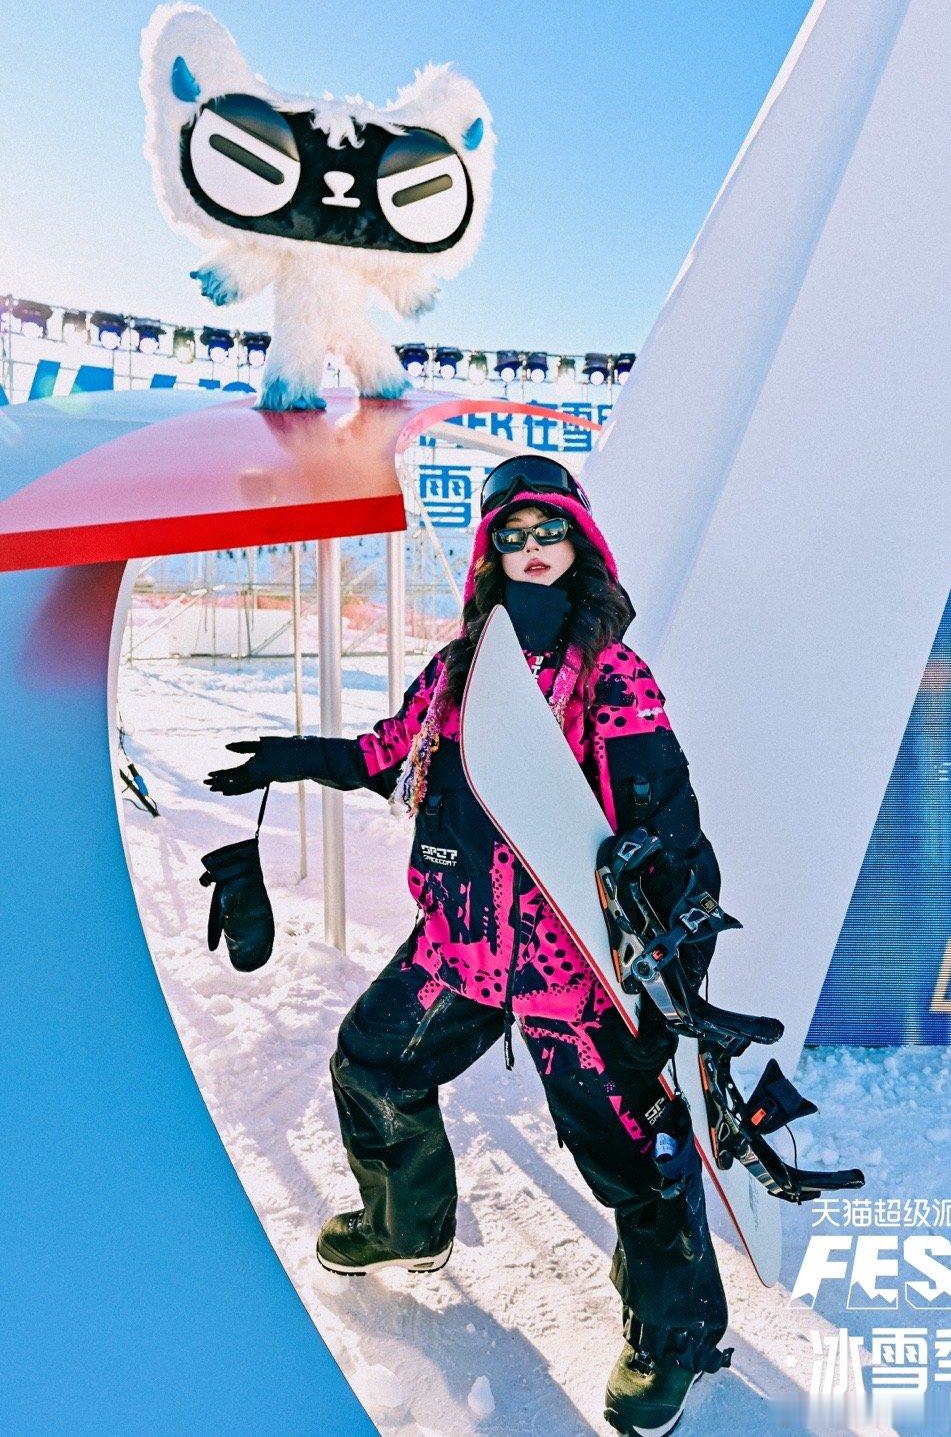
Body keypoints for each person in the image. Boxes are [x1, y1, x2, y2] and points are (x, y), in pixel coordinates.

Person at [206, 454, 729, 1435]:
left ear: (580, 543)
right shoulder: (457, 672)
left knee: (631, 1155)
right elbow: (380, 754)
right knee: (372, 1061)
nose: (533, 550)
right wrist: (291, 757)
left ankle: (678, 1331)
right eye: (513, 536)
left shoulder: (611, 676)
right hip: (462, 944)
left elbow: (668, 817)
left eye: (550, 532)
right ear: (492, 553)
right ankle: (408, 1220)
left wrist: (668, 943)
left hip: (573, 968)